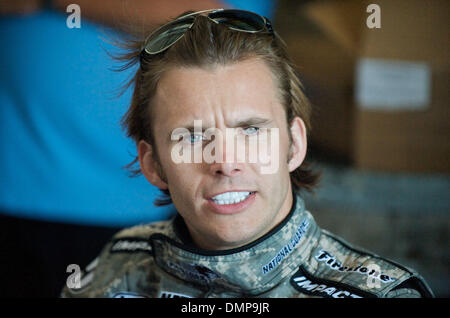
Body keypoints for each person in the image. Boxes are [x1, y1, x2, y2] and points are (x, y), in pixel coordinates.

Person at [61, 9, 434, 298]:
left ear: (295, 145)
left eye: (251, 130)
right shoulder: (115, 267)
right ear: (153, 164)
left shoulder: (383, 293)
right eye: (192, 137)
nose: (225, 162)